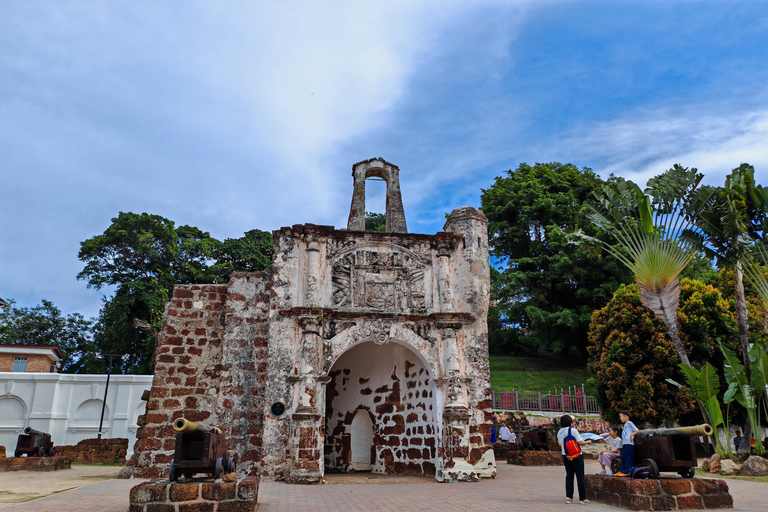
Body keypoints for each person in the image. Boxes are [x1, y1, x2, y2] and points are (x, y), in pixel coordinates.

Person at [557, 414, 592, 504]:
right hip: (576, 455)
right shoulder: (573, 430)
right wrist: (588, 442)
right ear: (570, 422)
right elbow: (580, 442)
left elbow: (560, 444)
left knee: (569, 476)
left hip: (566, 455)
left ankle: (569, 497)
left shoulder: (559, 432)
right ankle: (582, 498)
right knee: (580, 476)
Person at [614, 410, 638, 477]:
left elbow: (637, 430)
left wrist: (632, 435)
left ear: (626, 416)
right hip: (624, 443)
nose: (620, 418)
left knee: (628, 457)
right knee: (624, 457)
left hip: (629, 443)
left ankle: (627, 471)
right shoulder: (625, 425)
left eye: (621, 417)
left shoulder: (629, 423)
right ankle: (622, 470)